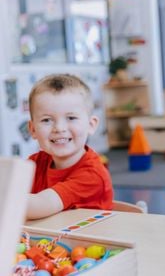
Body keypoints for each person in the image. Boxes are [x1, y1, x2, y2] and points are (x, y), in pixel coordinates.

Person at [27, 74, 113, 220]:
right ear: (33, 129)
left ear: (91, 125)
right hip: (49, 239)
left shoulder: (92, 175)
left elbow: (40, 205)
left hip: (87, 242)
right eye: (47, 120)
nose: (59, 128)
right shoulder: (34, 163)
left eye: (71, 118)